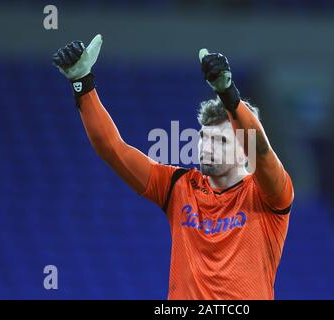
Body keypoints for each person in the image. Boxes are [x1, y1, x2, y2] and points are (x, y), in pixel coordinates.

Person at [52, 34, 294, 300]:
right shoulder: (177, 186)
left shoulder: (269, 195)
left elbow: (261, 149)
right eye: (204, 137)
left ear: (243, 149)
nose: (207, 147)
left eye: (221, 140)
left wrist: (228, 94)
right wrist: (81, 83)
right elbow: (112, 149)